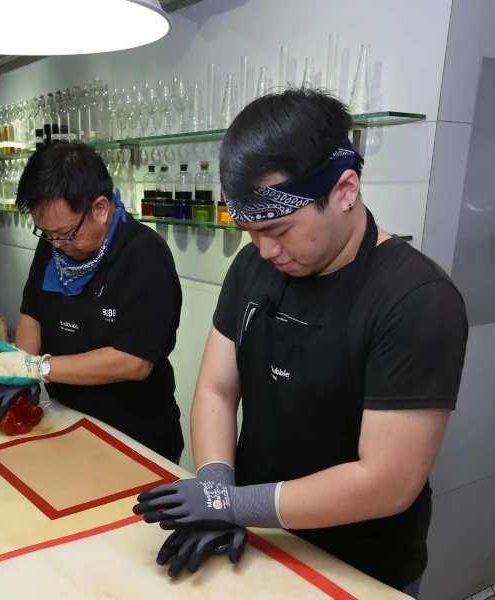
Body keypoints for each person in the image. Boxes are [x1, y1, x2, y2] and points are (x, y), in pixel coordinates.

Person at [131, 89, 468, 598]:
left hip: (359, 563)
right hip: (255, 541)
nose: (265, 250)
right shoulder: (253, 267)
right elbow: (217, 390)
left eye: (279, 230)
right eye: (249, 233)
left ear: (344, 190)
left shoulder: (416, 300)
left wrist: (233, 505)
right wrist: (219, 488)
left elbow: (387, 481)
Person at [0, 142, 185, 462]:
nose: (57, 244)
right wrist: (22, 377)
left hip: (135, 437)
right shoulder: (55, 247)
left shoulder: (144, 255)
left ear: (100, 208)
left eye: (65, 234)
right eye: (47, 234)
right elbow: (33, 313)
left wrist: (37, 368)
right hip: (67, 422)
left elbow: (133, 361)